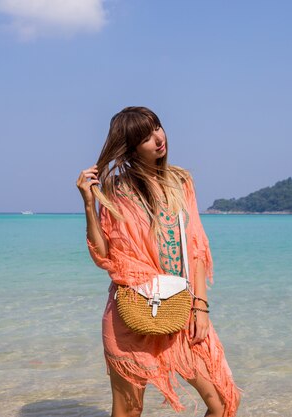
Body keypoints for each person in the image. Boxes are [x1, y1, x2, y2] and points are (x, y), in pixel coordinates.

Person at [76, 106, 240, 417]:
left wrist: (200, 308)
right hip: (132, 310)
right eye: (144, 136)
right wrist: (88, 203)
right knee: (129, 411)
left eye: (157, 128)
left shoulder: (181, 181)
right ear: (130, 146)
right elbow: (103, 255)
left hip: (181, 308)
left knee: (223, 401)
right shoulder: (115, 188)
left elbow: (196, 248)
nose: (157, 138)